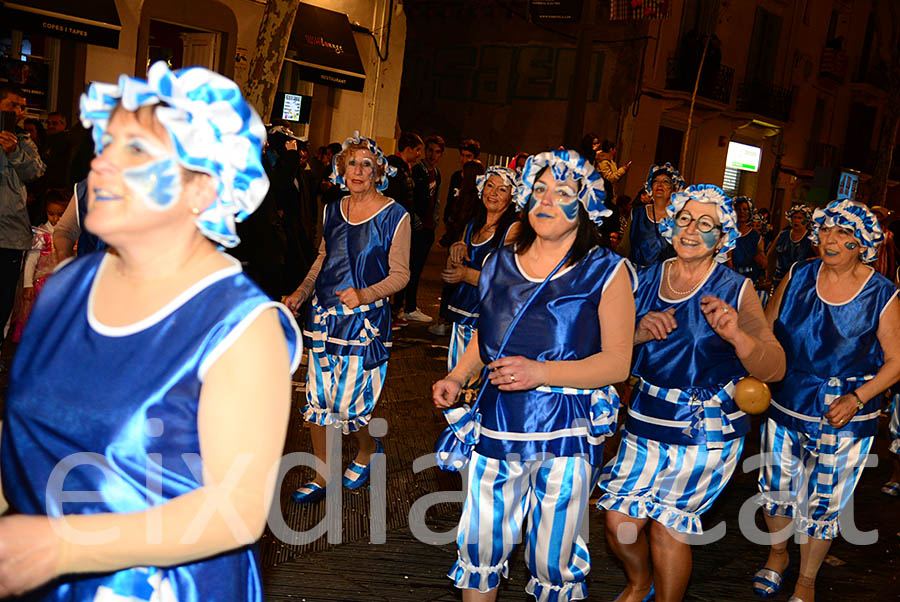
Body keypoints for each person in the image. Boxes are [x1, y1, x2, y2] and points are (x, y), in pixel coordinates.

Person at [0, 62, 301, 600]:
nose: (103, 166)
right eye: (106, 145)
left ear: (203, 189)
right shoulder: (66, 287)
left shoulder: (240, 327)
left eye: (135, 152)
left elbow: (235, 509)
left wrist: (61, 546)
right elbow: (21, 440)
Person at [433, 149, 635, 602]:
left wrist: (541, 372)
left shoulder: (607, 270)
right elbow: (487, 335)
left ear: (586, 206)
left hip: (563, 427)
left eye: (562, 193)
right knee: (482, 545)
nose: (546, 201)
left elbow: (618, 362)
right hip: (497, 420)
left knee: (552, 558)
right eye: (539, 190)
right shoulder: (500, 263)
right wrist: (459, 374)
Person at [597, 184, 785, 602]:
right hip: (645, 419)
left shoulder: (736, 289)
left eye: (705, 224)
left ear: (722, 237)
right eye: (684, 219)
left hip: (706, 429)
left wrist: (737, 335)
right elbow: (602, 349)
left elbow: (775, 366)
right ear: (670, 224)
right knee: (618, 522)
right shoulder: (643, 279)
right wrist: (639, 332)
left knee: (668, 527)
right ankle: (639, 581)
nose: (691, 230)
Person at [754, 199, 900, 602]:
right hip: (788, 401)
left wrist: (858, 397)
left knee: (824, 500)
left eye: (843, 235)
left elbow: (897, 361)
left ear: (861, 244)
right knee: (776, 487)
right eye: (826, 232)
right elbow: (767, 328)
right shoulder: (799, 274)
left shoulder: (882, 293)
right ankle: (778, 555)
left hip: (844, 414)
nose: (829, 240)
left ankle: (806, 580)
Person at [285, 132, 411, 503]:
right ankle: (323, 474)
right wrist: (302, 292)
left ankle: (368, 449)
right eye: (351, 163)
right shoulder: (331, 209)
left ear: (378, 173)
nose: (357, 170)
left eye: (366, 165)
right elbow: (325, 257)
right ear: (341, 169)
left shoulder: (395, 216)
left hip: (365, 323)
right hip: (324, 317)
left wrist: (364, 295)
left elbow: (401, 274)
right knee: (318, 400)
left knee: (351, 406)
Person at [441, 166, 520, 371]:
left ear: (513, 196)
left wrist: (466, 274)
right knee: (457, 374)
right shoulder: (473, 224)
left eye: (502, 189)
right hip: (464, 314)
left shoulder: (514, 229)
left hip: (490, 320)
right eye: (489, 185)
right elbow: (452, 271)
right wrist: (454, 250)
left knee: (478, 381)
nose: (493, 193)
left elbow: (505, 280)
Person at [0, 83, 45, 352]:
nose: (19, 111)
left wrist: (14, 152)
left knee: (3, 300)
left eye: (21, 106)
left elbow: (37, 172)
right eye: (12, 105)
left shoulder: (24, 140)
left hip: (10, 235)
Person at [9, 189, 66, 341]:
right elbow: (31, 260)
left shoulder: (69, 234)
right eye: (51, 214)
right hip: (42, 285)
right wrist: (28, 284)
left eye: (60, 214)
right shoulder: (42, 233)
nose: (55, 219)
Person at [402, 135, 445, 323]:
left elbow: (435, 200)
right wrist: (415, 220)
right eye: (430, 150)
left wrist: (434, 220)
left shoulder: (436, 173)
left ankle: (410, 305)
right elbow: (409, 198)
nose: (432, 155)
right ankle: (406, 307)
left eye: (437, 152)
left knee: (418, 269)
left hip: (428, 227)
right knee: (409, 268)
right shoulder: (416, 171)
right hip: (415, 227)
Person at [626, 162, 686, 269]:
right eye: (655, 181)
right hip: (637, 276)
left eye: (665, 182)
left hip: (666, 278)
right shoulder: (637, 214)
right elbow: (624, 248)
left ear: (674, 188)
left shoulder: (680, 218)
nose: (659, 184)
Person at [768, 203, 816, 289]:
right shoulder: (782, 235)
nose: (796, 220)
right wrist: (769, 277)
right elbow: (771, 256)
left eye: (800, 218)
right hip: (779, 280)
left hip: (800, 283)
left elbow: (819, 259)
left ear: (807, 220)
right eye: (794, 217)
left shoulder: (811, 239)